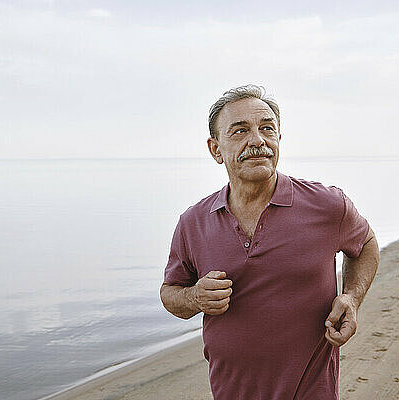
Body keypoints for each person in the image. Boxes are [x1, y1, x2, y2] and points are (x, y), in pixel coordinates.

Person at [159, 85, 380, 400]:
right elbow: (170, 294)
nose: (257, 140)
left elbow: (366, 245)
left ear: (278, 139)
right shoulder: (193, 222)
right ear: (215, 149)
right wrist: (196, 297)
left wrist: (351, 298)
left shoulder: (328, 205)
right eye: (240, 131)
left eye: (267, 129)